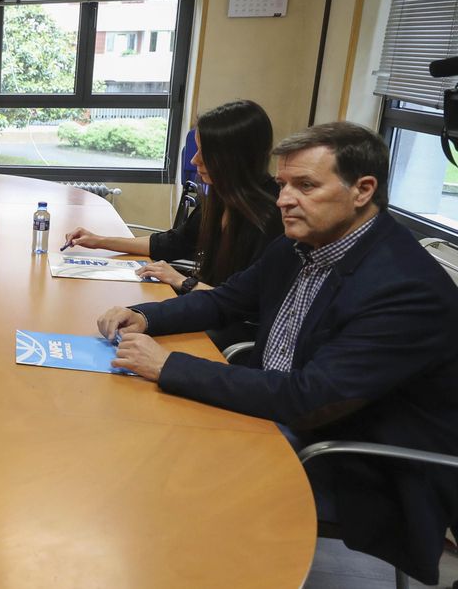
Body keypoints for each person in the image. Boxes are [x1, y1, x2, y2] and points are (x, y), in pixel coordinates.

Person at [96, 122, 458, 585]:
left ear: (363, 190)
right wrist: (144, 316)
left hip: (356, 463)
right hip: (280, 417)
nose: (284, 199)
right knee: (135, 438)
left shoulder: (403, 287)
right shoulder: (301, 243)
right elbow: (225, 301)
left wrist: (168, 365)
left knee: (164, 477)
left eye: (305, 185)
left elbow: (309, 400)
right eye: (284, 184)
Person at [65, 100, 280, 295]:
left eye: (204, 153)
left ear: (235, 158)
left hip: (224, 317)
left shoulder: (270, 218)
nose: (194, 160)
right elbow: (173, 243)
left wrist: (182, 281)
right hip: (206, 303)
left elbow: (245, 303)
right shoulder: (222, 198)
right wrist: (99, 241)